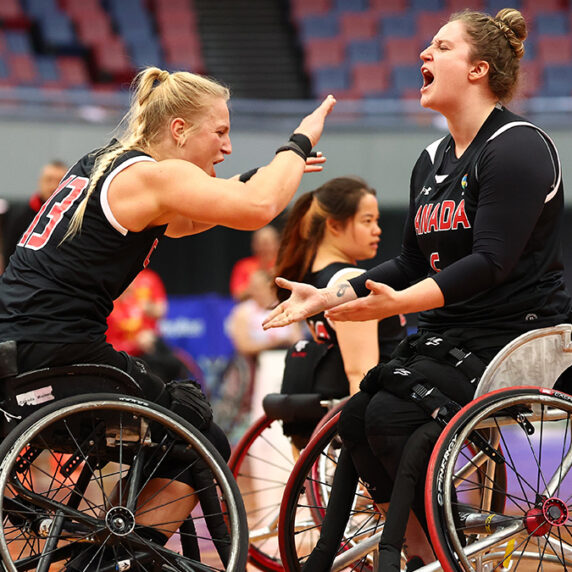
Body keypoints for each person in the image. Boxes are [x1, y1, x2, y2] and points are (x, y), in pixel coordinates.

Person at [263, 8, 572, 571]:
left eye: (441, 47)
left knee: (389, 420)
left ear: (478, 69)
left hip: (512, 334)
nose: (423, 55)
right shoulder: (431, 158)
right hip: (449, 335)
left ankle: (419, 545)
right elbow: (409, 260)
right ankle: (419, 547)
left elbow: (492, 262)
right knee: (358, 417)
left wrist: (400, 304)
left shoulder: (518, 146)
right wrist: (332, 295)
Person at [0, 65, 336, 565]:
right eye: (220, 132)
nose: (225, 147)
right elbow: (259, 205)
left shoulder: (105, 162)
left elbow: (192, 218)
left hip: (22, 339)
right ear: (179, 129)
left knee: (175, 429)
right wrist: (298, 143)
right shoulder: (154, 174)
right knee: (200, 433)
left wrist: (261, 174)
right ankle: (101, 560)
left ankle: (95, 537)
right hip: (56, 346)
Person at [274, 176, 407, 448]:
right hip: (384, 404)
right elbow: (360, 374)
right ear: (334, 225)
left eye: (377, 221)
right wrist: (367, 456)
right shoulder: (348, 281)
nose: (377, 230)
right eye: (367, 220)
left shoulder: (310, 278)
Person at [106, 267, 190, 382]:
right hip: (123, 353)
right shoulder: (110, 306)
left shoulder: (138, 302)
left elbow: (160, 311)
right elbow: (109, 341)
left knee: (172, 363)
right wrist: (136, 343)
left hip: (146, 348)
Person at [2, 160, 68, 268]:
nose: (53, 186)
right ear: (40, 182)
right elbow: (9, 255)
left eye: (59, 181)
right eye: (49, 180)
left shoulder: (73, 218)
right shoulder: (21, 218)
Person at [229, 224, 280, 300]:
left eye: (267, 243)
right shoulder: (244, 266)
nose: (264, 248)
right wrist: (256, 285)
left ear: (277, 243)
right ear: (254, 245)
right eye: (261, 243)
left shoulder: (283, 264)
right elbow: (237, 295)